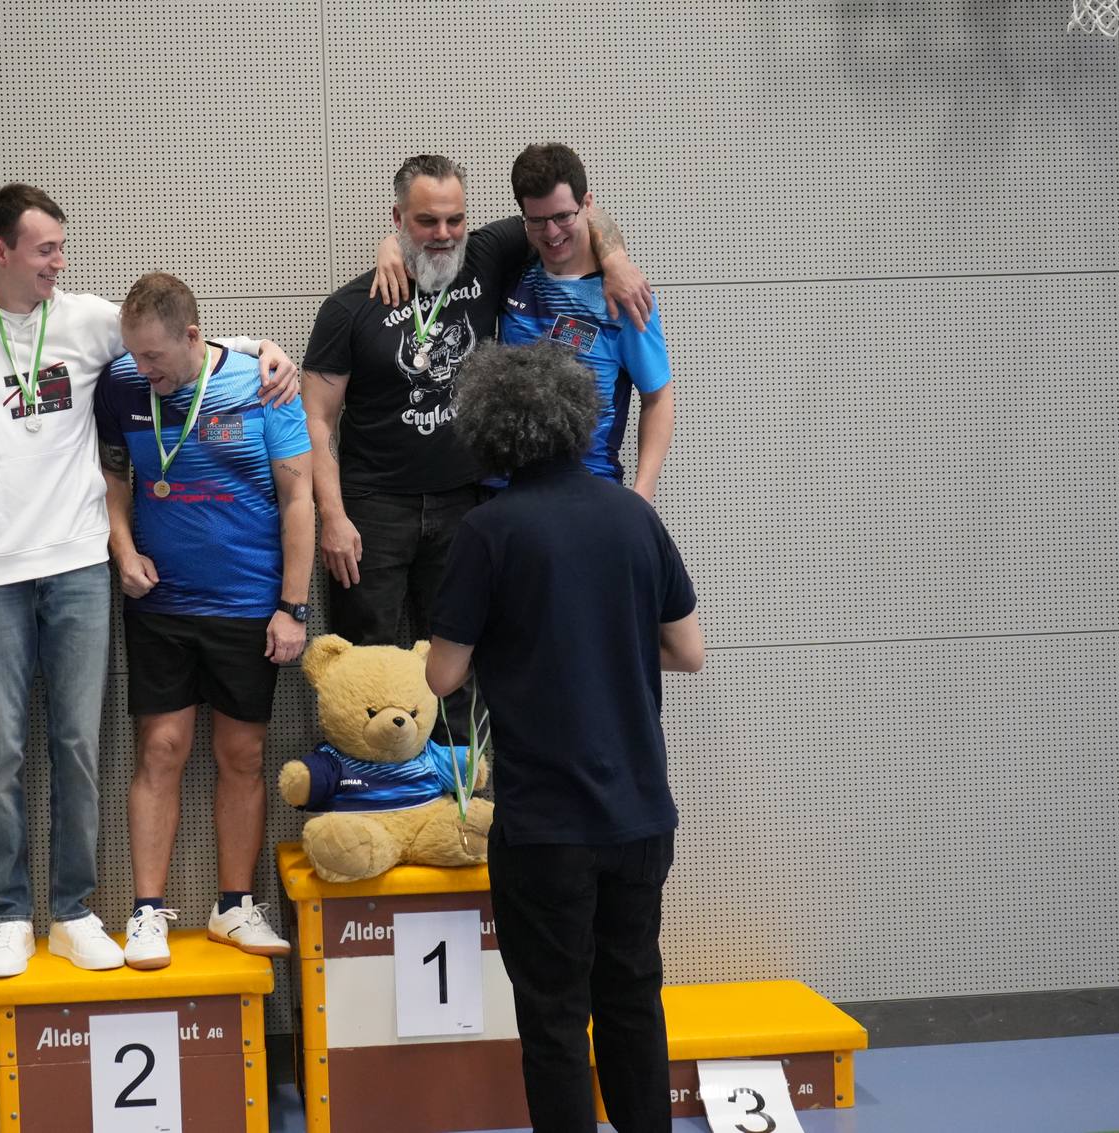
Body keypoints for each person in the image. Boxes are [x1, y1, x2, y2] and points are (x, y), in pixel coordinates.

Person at [0, 184, 297, 980]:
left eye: (61, 247)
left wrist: (262, 348)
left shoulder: (81, 319)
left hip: (79, 564)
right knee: (0, 753)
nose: (61, 261)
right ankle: (10, 914)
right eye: (46, 249)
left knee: (79, 746)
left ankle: (74, 909)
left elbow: (177, 336)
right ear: (0, 251)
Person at [424, 342, 705, 1133]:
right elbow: (688, 650)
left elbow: (443, 676)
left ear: (488, 429)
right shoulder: (634, 515)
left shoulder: (488, 531)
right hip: (641, 814)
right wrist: (606, 638)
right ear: (580, 418)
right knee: (632, 998)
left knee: (554, 1017)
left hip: (545, 824)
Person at [303, 155, 651, 706]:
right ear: (398, 218)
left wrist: (616, 259)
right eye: (426, 221)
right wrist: (334, 517)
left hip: (467, 503)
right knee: (367, 669)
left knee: (462, 670)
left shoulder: (487, 257)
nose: (444, 234)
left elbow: (577, 215)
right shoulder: (348, 309)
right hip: (373, 512)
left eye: (455, 219)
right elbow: (316, 419)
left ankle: (462, 767)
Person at [94, 273, 312, 970]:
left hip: (247, 603)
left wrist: (293, 606)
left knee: (243, 754)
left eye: (155, 356)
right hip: (160, 604)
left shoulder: (263, 383)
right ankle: (146, 912)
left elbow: (299, 498)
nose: (144, 370)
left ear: (192, 336)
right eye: (135, 355)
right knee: (161, 750)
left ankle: (234, 906)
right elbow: (114, 479)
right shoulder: (122, 384)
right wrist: (122, 550)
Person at [501, 143, 674, 500]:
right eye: (537, 221)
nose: (552, 233)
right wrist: (391, 247)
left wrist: (642, 495)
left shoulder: (624, 296)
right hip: (506, 496)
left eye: (563, 216)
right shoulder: (510, 271)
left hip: (589, 494)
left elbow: (658, 398)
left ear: (588, 206)